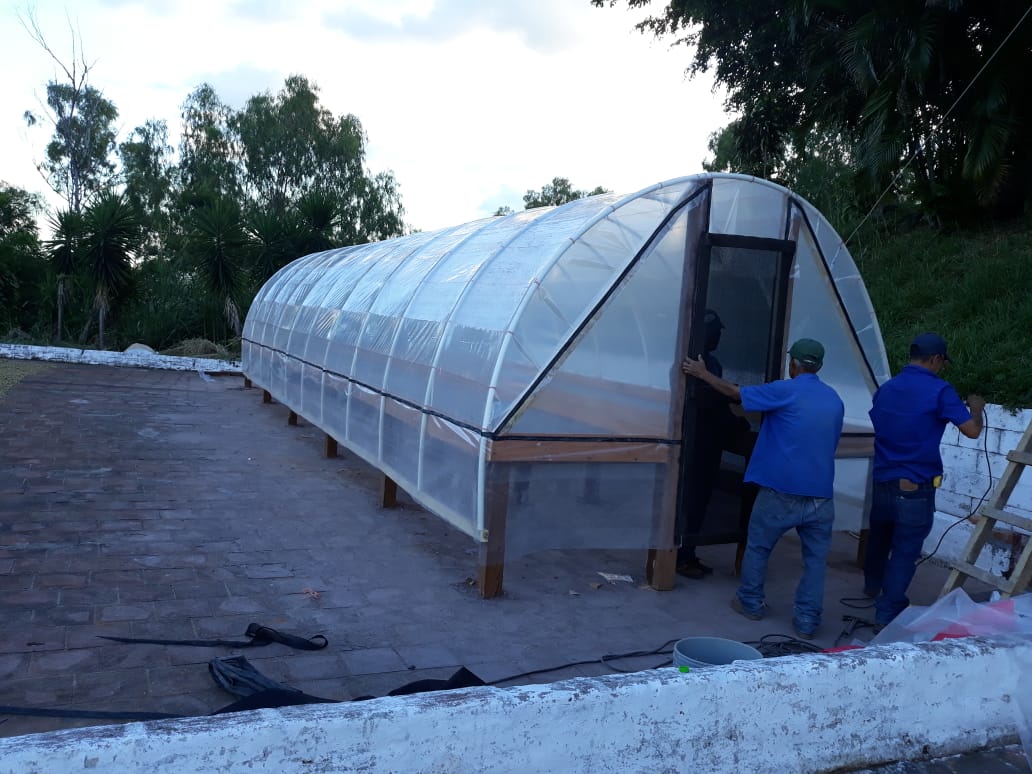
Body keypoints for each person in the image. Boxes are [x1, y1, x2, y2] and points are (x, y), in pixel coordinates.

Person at [682, 338, 844, 639]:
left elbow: (735, 393)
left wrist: (702, 373)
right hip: (821, 496)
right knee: (815, 561)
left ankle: (750, 603)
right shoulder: (834, 399)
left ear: (793, 364)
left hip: (781, 491)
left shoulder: (785, 390)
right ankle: (807, 621)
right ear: (819, 366)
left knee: (758, 546)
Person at [863, 332, 985, 630]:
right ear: (936, 359)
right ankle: (887, 612)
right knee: (905, 550)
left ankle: (871, 587)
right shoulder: (940, 390)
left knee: (879, 537)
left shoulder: (887, 389)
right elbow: (971, 431)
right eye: (942, 362)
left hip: (882, 481)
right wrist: (976, 407)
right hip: (915, 487)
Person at [677, 309, 750, 579]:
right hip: (694, 444)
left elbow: (718, 397)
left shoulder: (712, 364)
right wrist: (735, 422)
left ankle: (688, 553)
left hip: (709, 444)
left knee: (698, 501)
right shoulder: (690, 363)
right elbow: (707, 401)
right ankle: (680, 555)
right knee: (689, 500)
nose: (719, 337)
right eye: (716, 332)